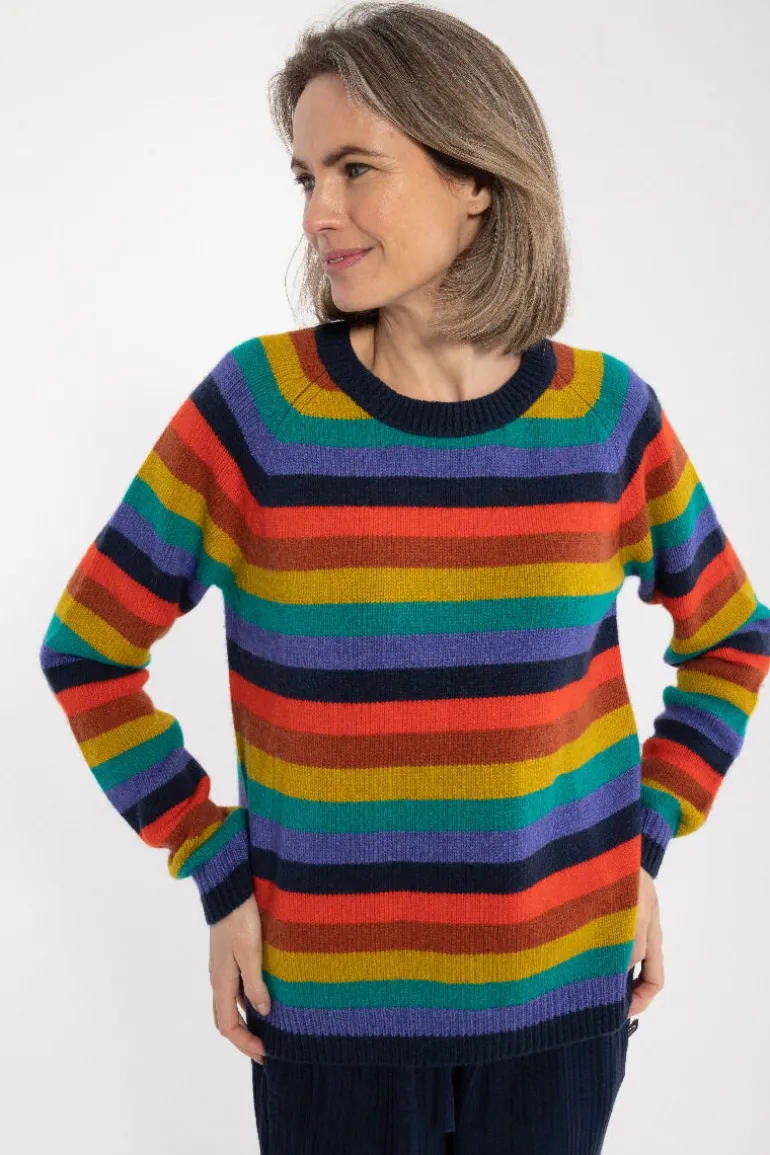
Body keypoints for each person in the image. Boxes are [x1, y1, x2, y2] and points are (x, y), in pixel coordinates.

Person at [39, 3, 770, 1153]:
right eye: (304, 177)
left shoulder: (606, 418)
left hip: (563, 1004)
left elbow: (730, 639)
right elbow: (87, 652)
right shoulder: (260, 411)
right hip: (327, 1015)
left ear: (474, 177)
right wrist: (216, 867)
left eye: (354, 169)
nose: (315, 212)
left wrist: (641, 837)